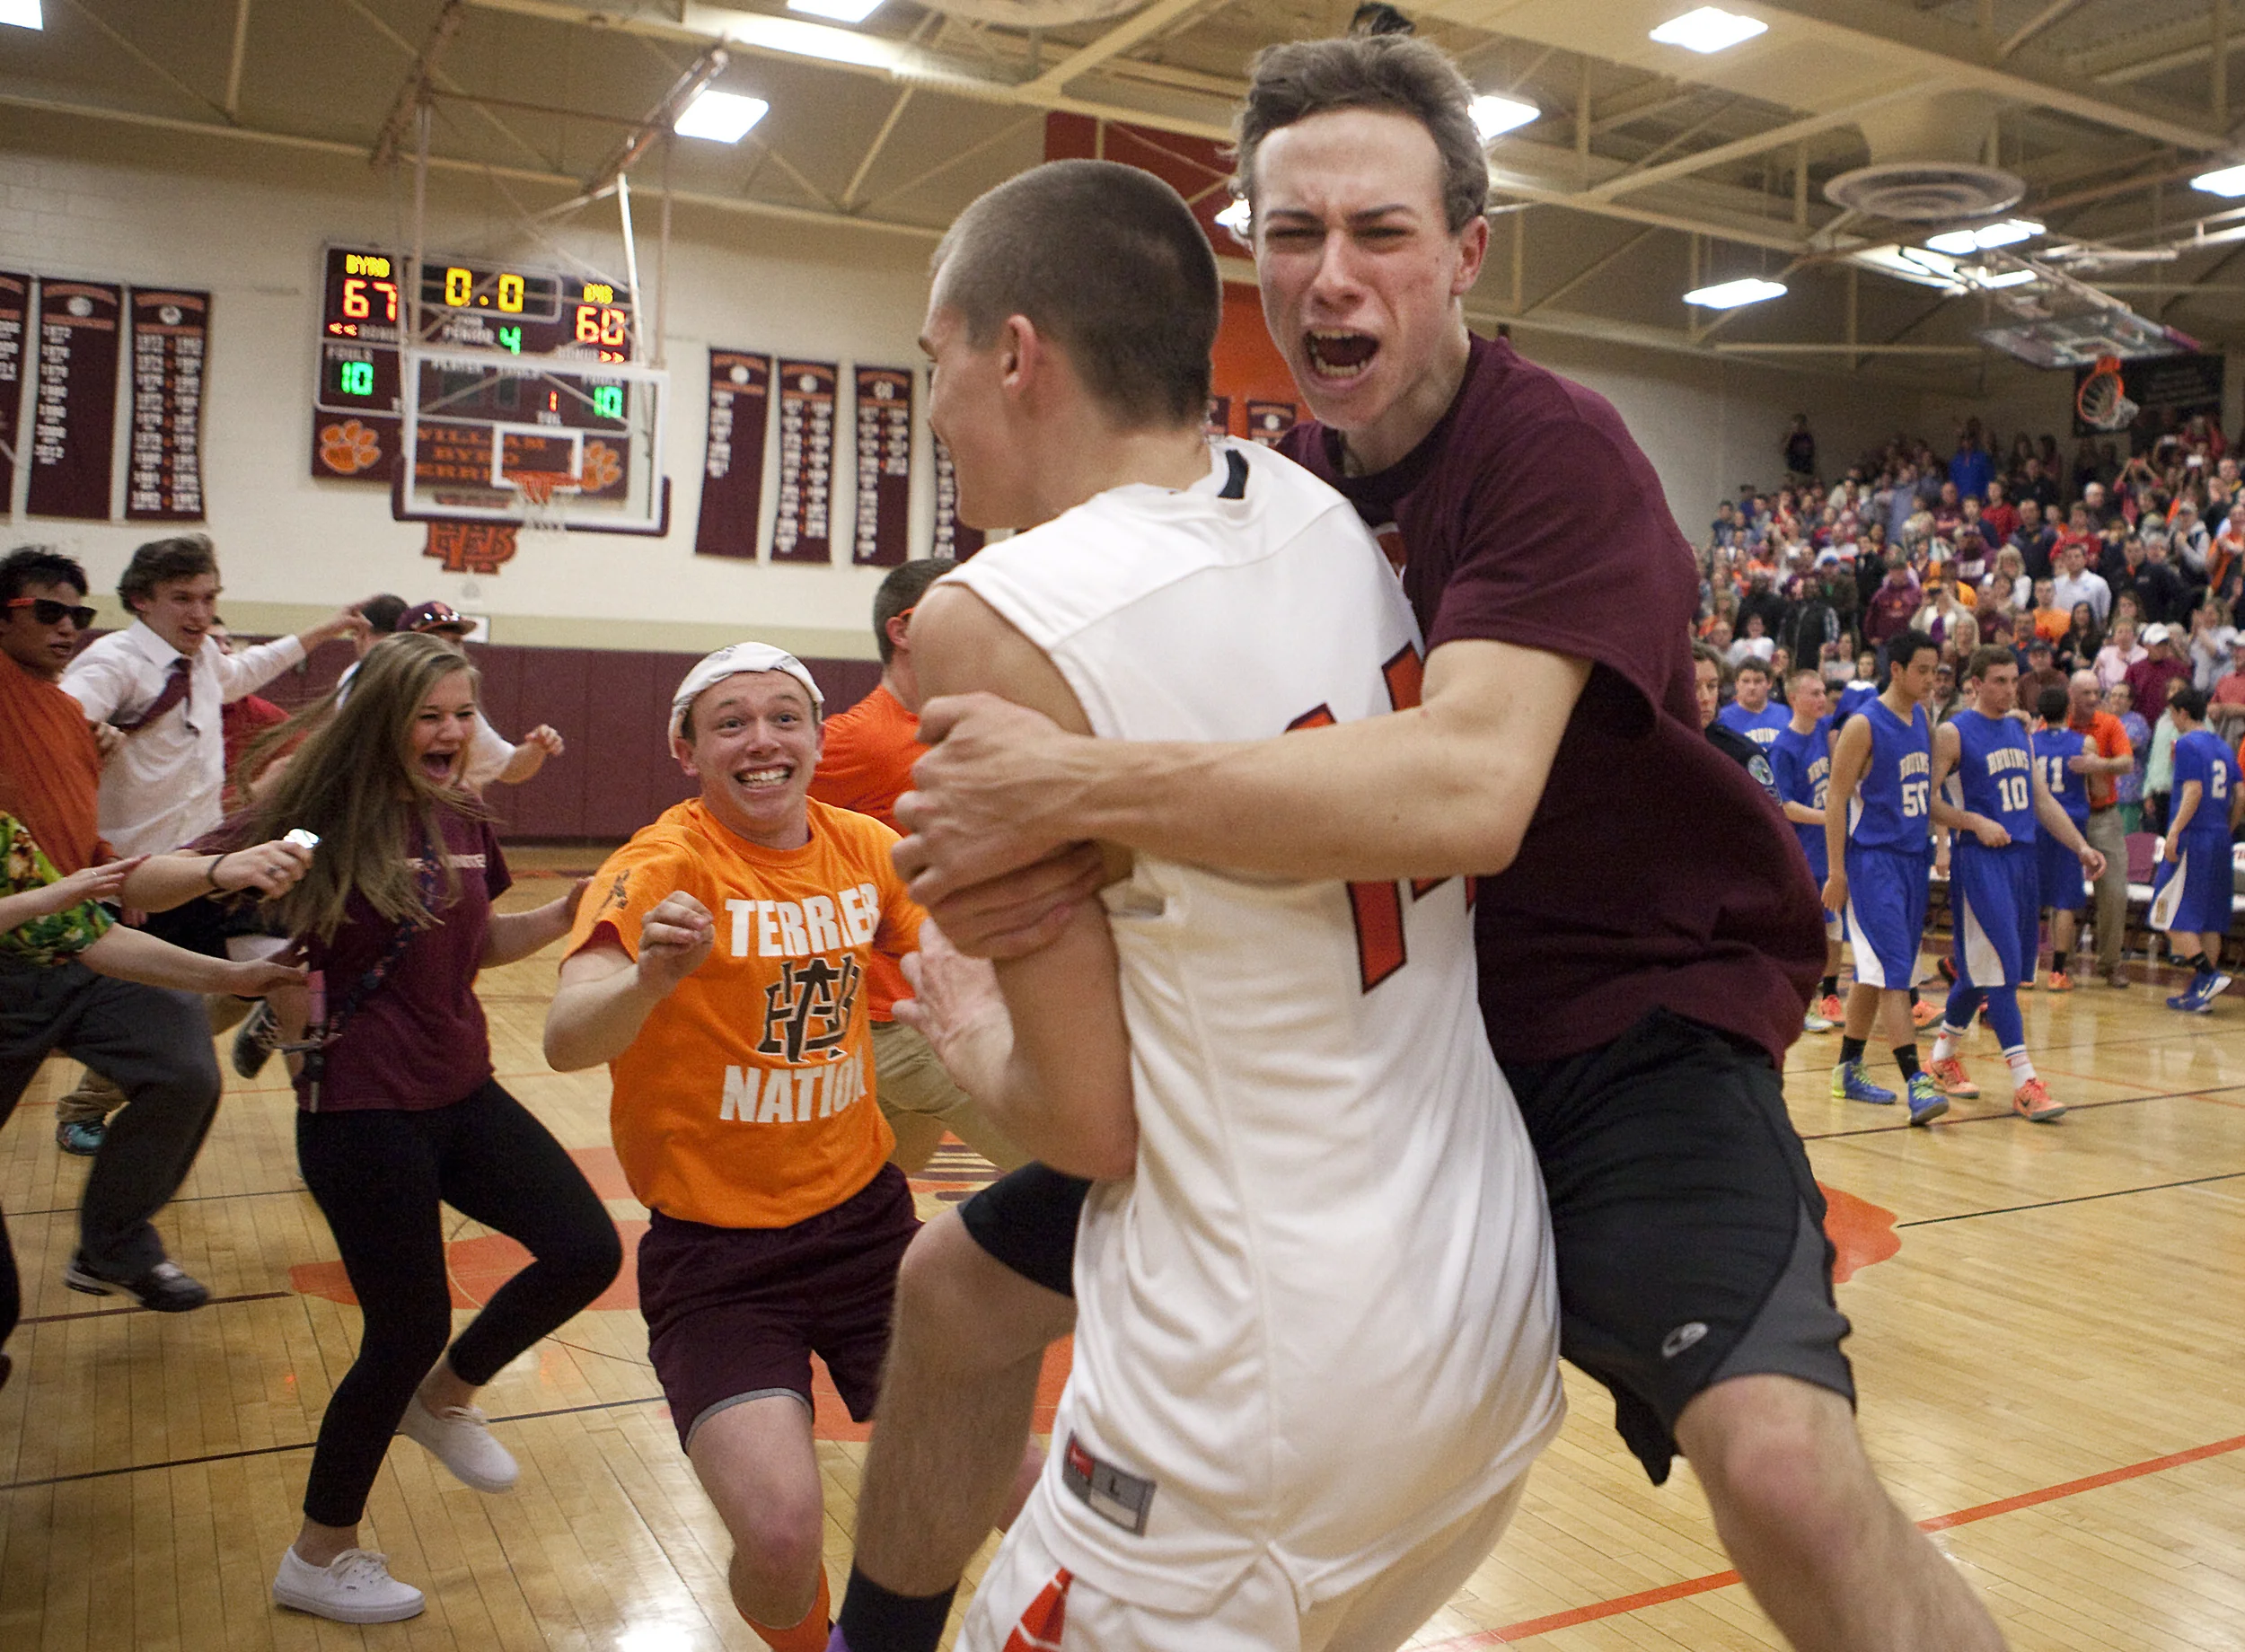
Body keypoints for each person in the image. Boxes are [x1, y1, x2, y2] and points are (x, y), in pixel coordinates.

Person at [843, 31, 2003, 1652]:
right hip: (1406, 1037)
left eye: (1380, 233)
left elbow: (1469, 792)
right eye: (1293, 234)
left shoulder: (1557, 451)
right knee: (952, 1295)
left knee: (1788, 1469)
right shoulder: (1291, 495)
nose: (1332, 278)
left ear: (1466, 252)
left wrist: (1072, 788)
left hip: (1619, 1028)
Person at [887, 159, 1562, 1652]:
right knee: (957, 1283)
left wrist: (974, 1022)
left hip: (1251, 1411)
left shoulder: (990, 615)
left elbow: (1084, 1128)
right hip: (1489, 1310)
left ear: (1015, 354)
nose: (934, 409)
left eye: (934, 364)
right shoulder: (1324, 511)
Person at [546, 644, 929, 1651]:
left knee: (994, 1473)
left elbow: (958, 948)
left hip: (867, 1229)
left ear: (813, 736)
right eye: (730, 722)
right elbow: (564, 1036)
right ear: (687, 750)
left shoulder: (865, 847)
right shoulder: (661, 865)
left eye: (783, 716)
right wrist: (647, 983)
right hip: (718, 1259)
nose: (761, 740)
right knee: (778, 1531)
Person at [233, 632, 621, 1625]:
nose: (451, 732)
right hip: (361, 1108)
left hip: (460, 1088)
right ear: (384, 720)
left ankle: (444, 1399)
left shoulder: (458, 817)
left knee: (583, 1247)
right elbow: (206, 887)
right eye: (429, 714)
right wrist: (250, 960)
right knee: (403, 1326)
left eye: (461, 713)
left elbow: (480, 940)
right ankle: (318, 1554)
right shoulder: (316, 817)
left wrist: (571, 909)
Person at [0, 546, 314, 1314]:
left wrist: (221, 873)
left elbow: (96, 885)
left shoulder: (68, 716)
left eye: (78, 613)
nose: (68, 627)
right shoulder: (95, 679)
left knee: (183, 1071)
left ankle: (114, 1246)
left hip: (87, 926)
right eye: (47, 612)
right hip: (27, 950)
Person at [0, 808, 307, 1374]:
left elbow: (93, 937)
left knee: (182, 1069)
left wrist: (233, 980)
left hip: (70, 954)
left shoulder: (5, 832)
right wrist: (43, 899)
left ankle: (110, 1250)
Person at [808, 561, 1026, 1175]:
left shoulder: (965, 726)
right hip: (901, 1021)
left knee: (869, 1207)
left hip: (946, 999)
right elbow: (751, 825)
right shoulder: (860, 739)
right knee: (1067, 1174)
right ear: (903, 629)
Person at [1922, 650, 2105, 1121]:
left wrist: (2080, 846)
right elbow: (1926, 800)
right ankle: (2025, 1083)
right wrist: (1972, 822)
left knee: (1984, 969)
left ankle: (1940, 1059)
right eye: (1999, 681)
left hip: (2023, 861)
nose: (2008, 690)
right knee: (2000, 972)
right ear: (1976, 684)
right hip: (1980, 861)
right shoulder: (1952, 732)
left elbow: (2041, 800)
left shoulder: (2020, 732)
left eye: (2012, 681)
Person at [1823, 629, 1950, 1124]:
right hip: (1873, 862)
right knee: (1898, 970)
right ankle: (1916, 1081)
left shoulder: (1923, 718)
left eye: (1936, 671)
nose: (1932, 680)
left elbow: (1930, 792)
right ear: (1895, 669)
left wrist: (1943, 839)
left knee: (1876, 973)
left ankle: (1848, 1070)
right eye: (1922, 670)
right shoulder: (1864, 724)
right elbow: (1835, 798)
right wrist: (1837, 871)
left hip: (1912, 859)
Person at [2150, 686, 2243, 1013]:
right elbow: (2241, 795)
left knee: (2165, 909)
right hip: (2219, 837)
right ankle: (2201, 994)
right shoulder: (2222, 745)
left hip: (2193, 835)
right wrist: (2226, 828)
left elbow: (2193, 791)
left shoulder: (2187, 743)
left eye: (2172, 713)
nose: (2171, 720)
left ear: (2182, 714)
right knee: (2209, 920)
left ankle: (2207, 974)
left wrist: (2174, 831)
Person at [1770, 665, 1844, 1033]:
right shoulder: (1784, 747)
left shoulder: (1825, 731)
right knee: (1810, 935)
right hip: (1802, 853)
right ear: (1793, 698)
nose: (1821, 698)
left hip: (1827, 852)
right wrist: (1829, 817)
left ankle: (1829, 996)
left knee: (1834, 932)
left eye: (1822, 692)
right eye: (1813, 693)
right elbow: (1785, 806)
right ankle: (1799, 1004)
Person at [2065, 671, 2137, 984]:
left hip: (2104, 814)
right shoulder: (2057, 723)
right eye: (2087, 694)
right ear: (2071, 694)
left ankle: (2111, 963)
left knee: (2114, 891)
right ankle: (2061, 962)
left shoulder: (2109, 723)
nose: (2094, 699)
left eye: (2098, 693)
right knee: (2063, 890)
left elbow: (2127, 763)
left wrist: (2099, 765)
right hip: (2066, 818)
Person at [2031, 685, 2093, 991]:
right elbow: (2096, 788)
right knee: (2064, 900)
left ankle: (2024, 972)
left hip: (2036, 823)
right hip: (2071, 823)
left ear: (2040, 712)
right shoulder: (2084, 743)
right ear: (2068, 709)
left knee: (2031, 898)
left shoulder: (2028, 743)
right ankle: (2058, 973)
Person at [1713, 654, 1787, 749]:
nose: (1752, 687)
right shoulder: (1721, 719)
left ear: (1769, 683)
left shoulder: (1787, 715)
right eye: (1746, 681)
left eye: (1758, 681)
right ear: (1736, 683)